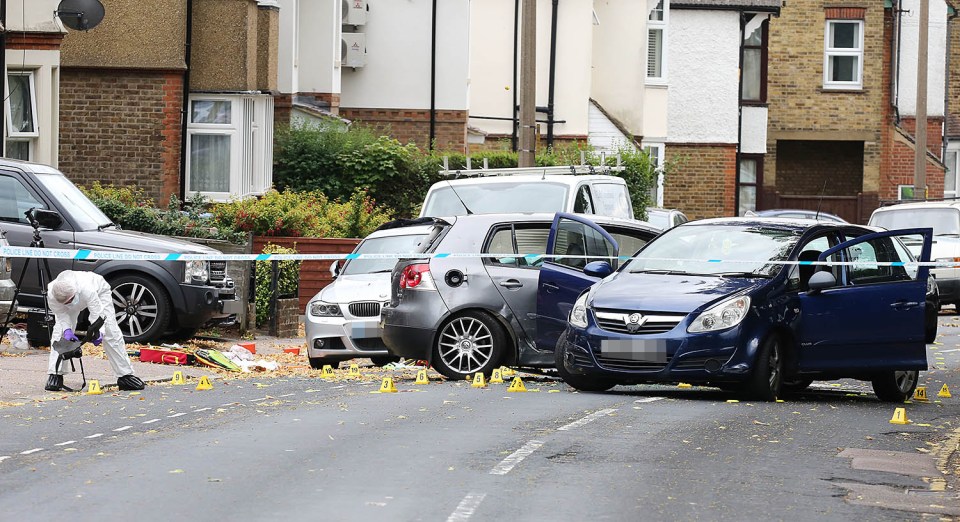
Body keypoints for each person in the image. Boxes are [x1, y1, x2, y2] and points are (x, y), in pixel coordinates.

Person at [44, 271, 145, 391]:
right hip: (71, 298)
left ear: (75, 292)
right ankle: (55, 374)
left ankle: (125, 375)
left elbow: (98, 315)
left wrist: (99, 332)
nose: (70, 304)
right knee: (59, 332)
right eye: (66, 303)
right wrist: (67, 330)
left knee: (110, 330)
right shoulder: (52, 295)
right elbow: (61, 313)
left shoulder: (87, 288)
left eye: (71, 300)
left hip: (99, 291)